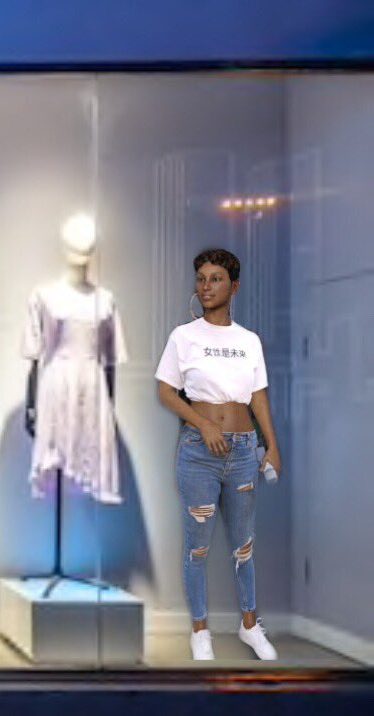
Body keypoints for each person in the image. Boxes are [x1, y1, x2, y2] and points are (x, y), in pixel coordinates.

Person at [155, 248, 281, 661]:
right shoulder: (184, 336)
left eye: (216, 279)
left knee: (244, 544)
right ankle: (200, 630)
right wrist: (202, 424)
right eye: (201, 279)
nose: (206, 286)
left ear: (234, 286)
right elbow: (166, 392)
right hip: (199, 452)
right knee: (198, 547)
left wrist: (272, 446)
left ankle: (249, 626)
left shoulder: (248, 341)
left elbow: (258, 397)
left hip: (243, 451)